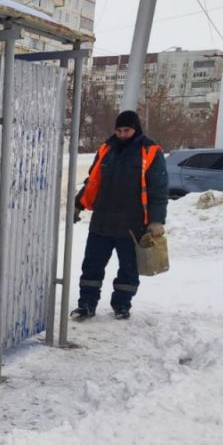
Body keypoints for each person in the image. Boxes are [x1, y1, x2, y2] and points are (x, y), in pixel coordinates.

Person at [72, 110, 168, 320]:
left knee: (128, 269)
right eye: (119, 130)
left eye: (127, 130)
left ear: (136, 129)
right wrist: (78, 204)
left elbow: (159, 189)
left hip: (133, 225)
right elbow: (93, 180)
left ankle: (122, 305)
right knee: (91, 266)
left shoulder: (150, 151)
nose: (122, 134)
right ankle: (86, 304)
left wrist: (156, 220)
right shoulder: (107, 149)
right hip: (102, 222)